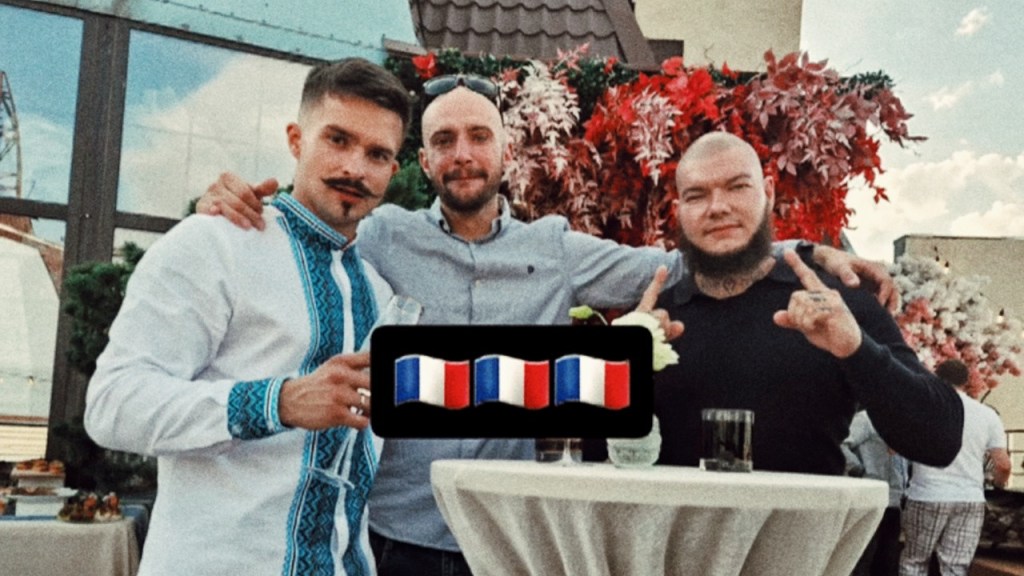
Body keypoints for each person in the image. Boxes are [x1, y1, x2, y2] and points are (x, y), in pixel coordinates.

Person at [197, 74, 901, 575]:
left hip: (510, 535)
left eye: (479, 136)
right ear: (425, 159)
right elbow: (309, 226)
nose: (463, 153)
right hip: (393, 533)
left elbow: (684, 261)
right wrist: (229, 201)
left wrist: (804, 249)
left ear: (506, 151)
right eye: (444, 140)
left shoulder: (557, 250)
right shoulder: (382, 237)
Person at [84, 58, 412, 576]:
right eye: (338, 139)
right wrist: (278, 401)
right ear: (296, 140)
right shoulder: (215, 243)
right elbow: (112, 404)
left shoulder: (379, 291)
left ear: (392, 171)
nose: (355, 167)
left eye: (377, 154)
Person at [653, 131, 963, 477]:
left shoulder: (833, 305)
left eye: (737, 187)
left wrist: (856, 349)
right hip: (673, 516)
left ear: (768, 193)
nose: (718, 207)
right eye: (697, 196)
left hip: (809, 515)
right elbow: (606, 455)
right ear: (679, 211)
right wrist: (624, 366)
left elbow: (941, 439)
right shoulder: (655, 322)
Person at [899, 359, 1012, 576]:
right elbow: (1003, 464)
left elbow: (894, 448)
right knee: (956, 566)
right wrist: (998, 483)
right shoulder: (987, 415)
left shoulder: (922, 409)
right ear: (967, 382)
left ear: (936, 378)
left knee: (914, 561)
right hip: (969, 498)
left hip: (927, 493)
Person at [843, 409, 909, 576]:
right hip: (870, 500)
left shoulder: (905, 425)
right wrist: (858, 470)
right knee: (863, 559)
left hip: (894, 502)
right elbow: (842, 444)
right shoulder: (867, 419)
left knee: (887, 561)